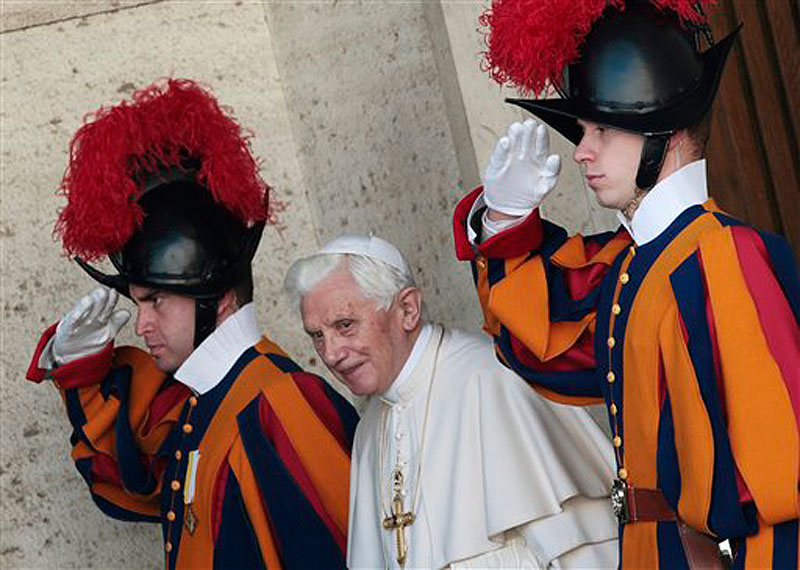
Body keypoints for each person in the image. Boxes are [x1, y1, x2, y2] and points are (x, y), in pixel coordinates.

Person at [453, 1, 800, 568]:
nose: (582, 151)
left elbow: (780, 488)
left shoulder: (724, 254)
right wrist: (504, 219)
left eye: (603, 129)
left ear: (663, 133)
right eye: (584, 131)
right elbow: (544, 351)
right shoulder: (632, 265)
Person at [26, 79, 358, 569]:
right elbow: (129, 485)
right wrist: (81, 369)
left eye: (156, 300)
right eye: (139, 303)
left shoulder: (280, 402)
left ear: (218, 296)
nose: (141, 325)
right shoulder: (209, 401)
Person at [284, 233, 620, 569]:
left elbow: (581, 552)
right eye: (317, 335)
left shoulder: (493, 380)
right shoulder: (370, 430)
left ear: (407, 309)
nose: (330, 354)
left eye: (345, 325)